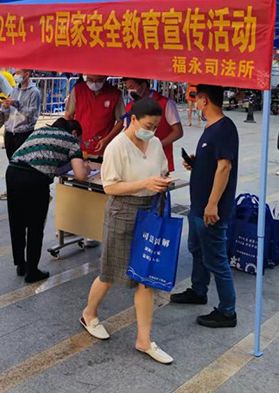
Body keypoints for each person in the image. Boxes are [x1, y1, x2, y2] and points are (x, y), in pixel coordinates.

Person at [80, 97, 175, 365]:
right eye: (148, 125)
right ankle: (89, 313)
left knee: (145, 277)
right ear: (133, 119)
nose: (152, 131)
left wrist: (162, 181)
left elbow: (161, 170)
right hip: (123, 210)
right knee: (111, 271)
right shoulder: (117, 146)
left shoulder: (155, 143)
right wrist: (144, 183)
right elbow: (110, 187)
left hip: (150, 211)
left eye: (155, 127)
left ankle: (144, 339)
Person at [170, 85, 239, 328]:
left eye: (196, 99)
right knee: (197, 249)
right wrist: (196, 163)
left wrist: (212, 204)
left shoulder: (225, 128)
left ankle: (227, 311)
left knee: (216, 259)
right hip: (198, 205)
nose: (195, 104)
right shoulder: (210, 127)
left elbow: (224, 167)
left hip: (211, 209)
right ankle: (198, 291)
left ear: (205, 100)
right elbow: (213, 162)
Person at [7, 118, 90, 282]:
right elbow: (80, 175)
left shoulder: (40, 131)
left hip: (13, 171)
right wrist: (86, 168)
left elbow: (47, 159)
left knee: (17, 222)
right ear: (74, 133)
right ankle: (32, 271)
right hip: (34, 179)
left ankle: (21, 265)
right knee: (35, 225)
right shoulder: (71, 140)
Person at [0, 68, 41, 201]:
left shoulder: (34, 92)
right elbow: (7, 111)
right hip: (10, 132)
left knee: (23, 165)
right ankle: (12, 190)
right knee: (12, 164)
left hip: (24, 133)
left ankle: (24, 191)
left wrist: (17, 104)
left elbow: (33, 113)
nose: (16, 76)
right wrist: (4, 107)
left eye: (18, 73)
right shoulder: (14, 90)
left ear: (27, 74)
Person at [124, 78, 184, 171]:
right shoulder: (129, 106)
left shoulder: (166, 103)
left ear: (143, 86)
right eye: (127, 88)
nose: (129, 91)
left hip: (160, 160)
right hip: (135, 160)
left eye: (131, 87)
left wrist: (158, 145)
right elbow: (126, 129)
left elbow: (178, 132)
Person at [65, 74, 125, 162]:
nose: (94, 83)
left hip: (102, 148)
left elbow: (121, 121)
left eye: (99, 80)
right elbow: (68, 115)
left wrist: (107, 139)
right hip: (79, 147)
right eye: (90, 79)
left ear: (105, 78)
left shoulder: (115, 94)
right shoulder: (78, 90)